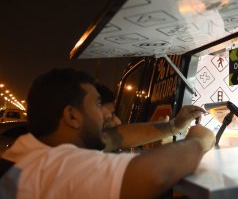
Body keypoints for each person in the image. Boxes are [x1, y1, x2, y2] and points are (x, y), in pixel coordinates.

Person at [0, 68, 215, 198]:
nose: (104, 114)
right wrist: (200, 140)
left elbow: (116, 136)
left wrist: (175, 126)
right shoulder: (53, 168)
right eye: (96, 103)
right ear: (72, 116)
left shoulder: (33, 151)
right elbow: (156, 176)